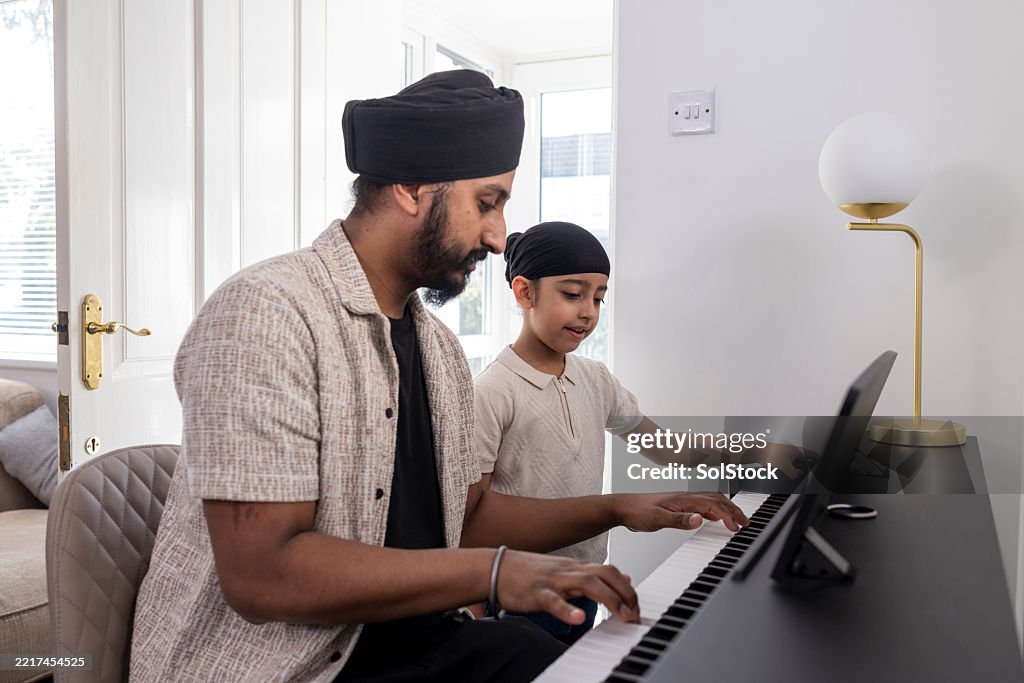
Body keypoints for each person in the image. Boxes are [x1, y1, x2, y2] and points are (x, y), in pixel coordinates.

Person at [129, 70, 749, 683]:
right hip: (293, 666)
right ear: (410, 188)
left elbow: (467, 520)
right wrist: (494, 572)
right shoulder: (267, 313)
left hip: (417, 638)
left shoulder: (439, 349)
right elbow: (263, 575)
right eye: (487, 202)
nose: (499, 236)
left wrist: (618, 506)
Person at [474, 221, 812, 644]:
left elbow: (670, 449)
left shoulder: (595, 379)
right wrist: (475, 619)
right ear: (525, 292)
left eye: (598, 298)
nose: (588, 312)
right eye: (573, 294)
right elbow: (472, 527)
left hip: (586, 586)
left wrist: (757, 452)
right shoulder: (491, 393)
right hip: (518, 598)